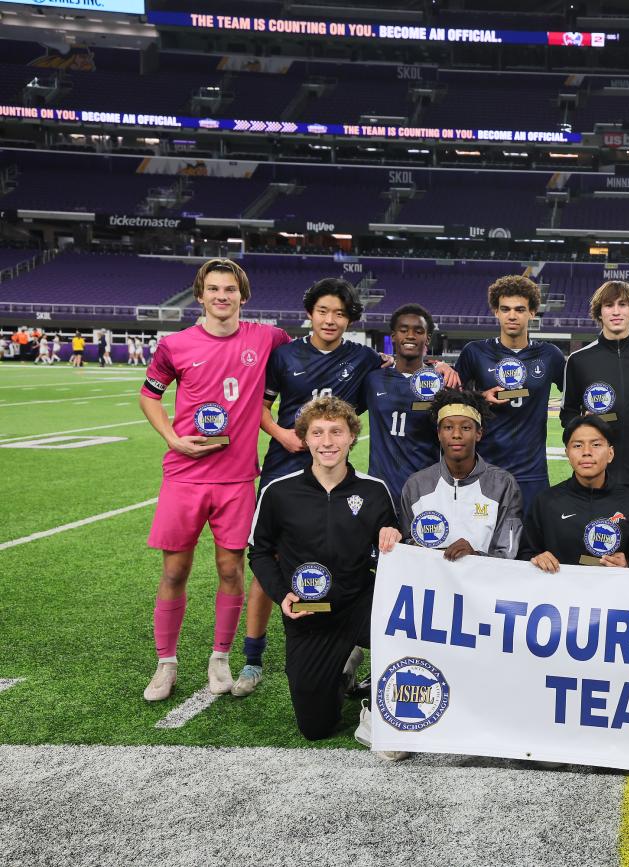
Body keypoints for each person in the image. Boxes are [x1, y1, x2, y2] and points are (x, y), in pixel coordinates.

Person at [234, 278, 457, 698]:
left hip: (340, 472)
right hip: (289, 465)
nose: (330, 320)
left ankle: (353, 652)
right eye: (323, 311)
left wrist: (440, 366)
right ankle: (252, 658)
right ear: (310, 313)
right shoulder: (284, 355)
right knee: (272, 560)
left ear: (350, 319)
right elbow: (258, 408)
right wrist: (282, 435)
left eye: (339, 313)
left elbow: (402, 363)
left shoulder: (364, 361)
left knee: (354, 564)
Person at [139, 258, 291, 701]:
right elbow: (149, 396)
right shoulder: (175, 343)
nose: (221, 296)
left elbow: (311, 351)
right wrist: (172, 438)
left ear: (243, 296)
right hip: (184, 477)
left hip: (237, 479)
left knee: (230, 569)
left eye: (230, 289)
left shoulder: (267, 337)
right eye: (213, 289)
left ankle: (220, 657)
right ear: (200, 295)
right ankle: (165, 664)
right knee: (175, 570)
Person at [247, 396, 404, 756]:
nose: (328, 441)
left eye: (337, 431)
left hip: (359, 604)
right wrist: (281, 594)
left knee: (406, 632)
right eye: (318, 433)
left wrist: (393, 535)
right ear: (305, 439)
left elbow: (393, 542)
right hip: (310, 613)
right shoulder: (279, 492)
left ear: (352, 437)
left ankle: (388, 710)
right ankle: (343, 669)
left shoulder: (374, 490)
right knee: (315, 728)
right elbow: (258, 551)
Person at [455, 275, 565, 514]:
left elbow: (578, 391)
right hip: (484, 468)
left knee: (529, 545)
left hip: (532, 473)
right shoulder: (475, 352)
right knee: (480, 546)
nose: (512, 316)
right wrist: (480, 398)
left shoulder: (550, 355)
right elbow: (450, 404)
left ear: (532, 313)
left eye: (519, 309)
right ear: (496, 312)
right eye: (505, 309)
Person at [560, 280, 629, 517]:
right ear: (600, 312)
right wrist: (582, 426)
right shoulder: (579, 360)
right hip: (594, 471)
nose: (616, 311)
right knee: (595, 544)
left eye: (623, 304)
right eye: (609, 305)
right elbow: (567, 414)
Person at [398, 388, 524, 560]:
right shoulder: (416, 485)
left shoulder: (503, 485)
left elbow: (508, 553)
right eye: (448, 427)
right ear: (439, 433)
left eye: (465, 427)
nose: (456, 435)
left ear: (478, 433)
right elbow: (406, 548)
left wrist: (473, 557)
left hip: (482, 584)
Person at [520, 414, 629, 572]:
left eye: (596, 445)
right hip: (561, 594)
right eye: (577, 446)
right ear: (567, 453)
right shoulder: (545, 502)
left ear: (610, 454)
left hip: (614, 593)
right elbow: (524, 553)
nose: (586, 452)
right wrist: (537, 558)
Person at [364, 304, 441, 499]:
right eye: (403, 330)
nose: (410, 336)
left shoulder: (442, 383)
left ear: (427, 339)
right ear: (393, 336)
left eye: (418, 331)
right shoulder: (373, 379)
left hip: (426, 491)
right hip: (381, 491)